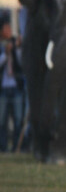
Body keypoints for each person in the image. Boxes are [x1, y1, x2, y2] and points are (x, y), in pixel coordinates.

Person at [0, 20, 24, 153]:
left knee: (18, 119)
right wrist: (6, 53)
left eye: (10, 28)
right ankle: (3, 147)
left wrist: (17, 49)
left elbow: (21, 64)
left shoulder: (16, 44)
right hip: (3, 88)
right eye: (6, 28)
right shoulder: (1, 47)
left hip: (16, 88)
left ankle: (17, 147)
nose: (9, 31)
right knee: (2, 120)